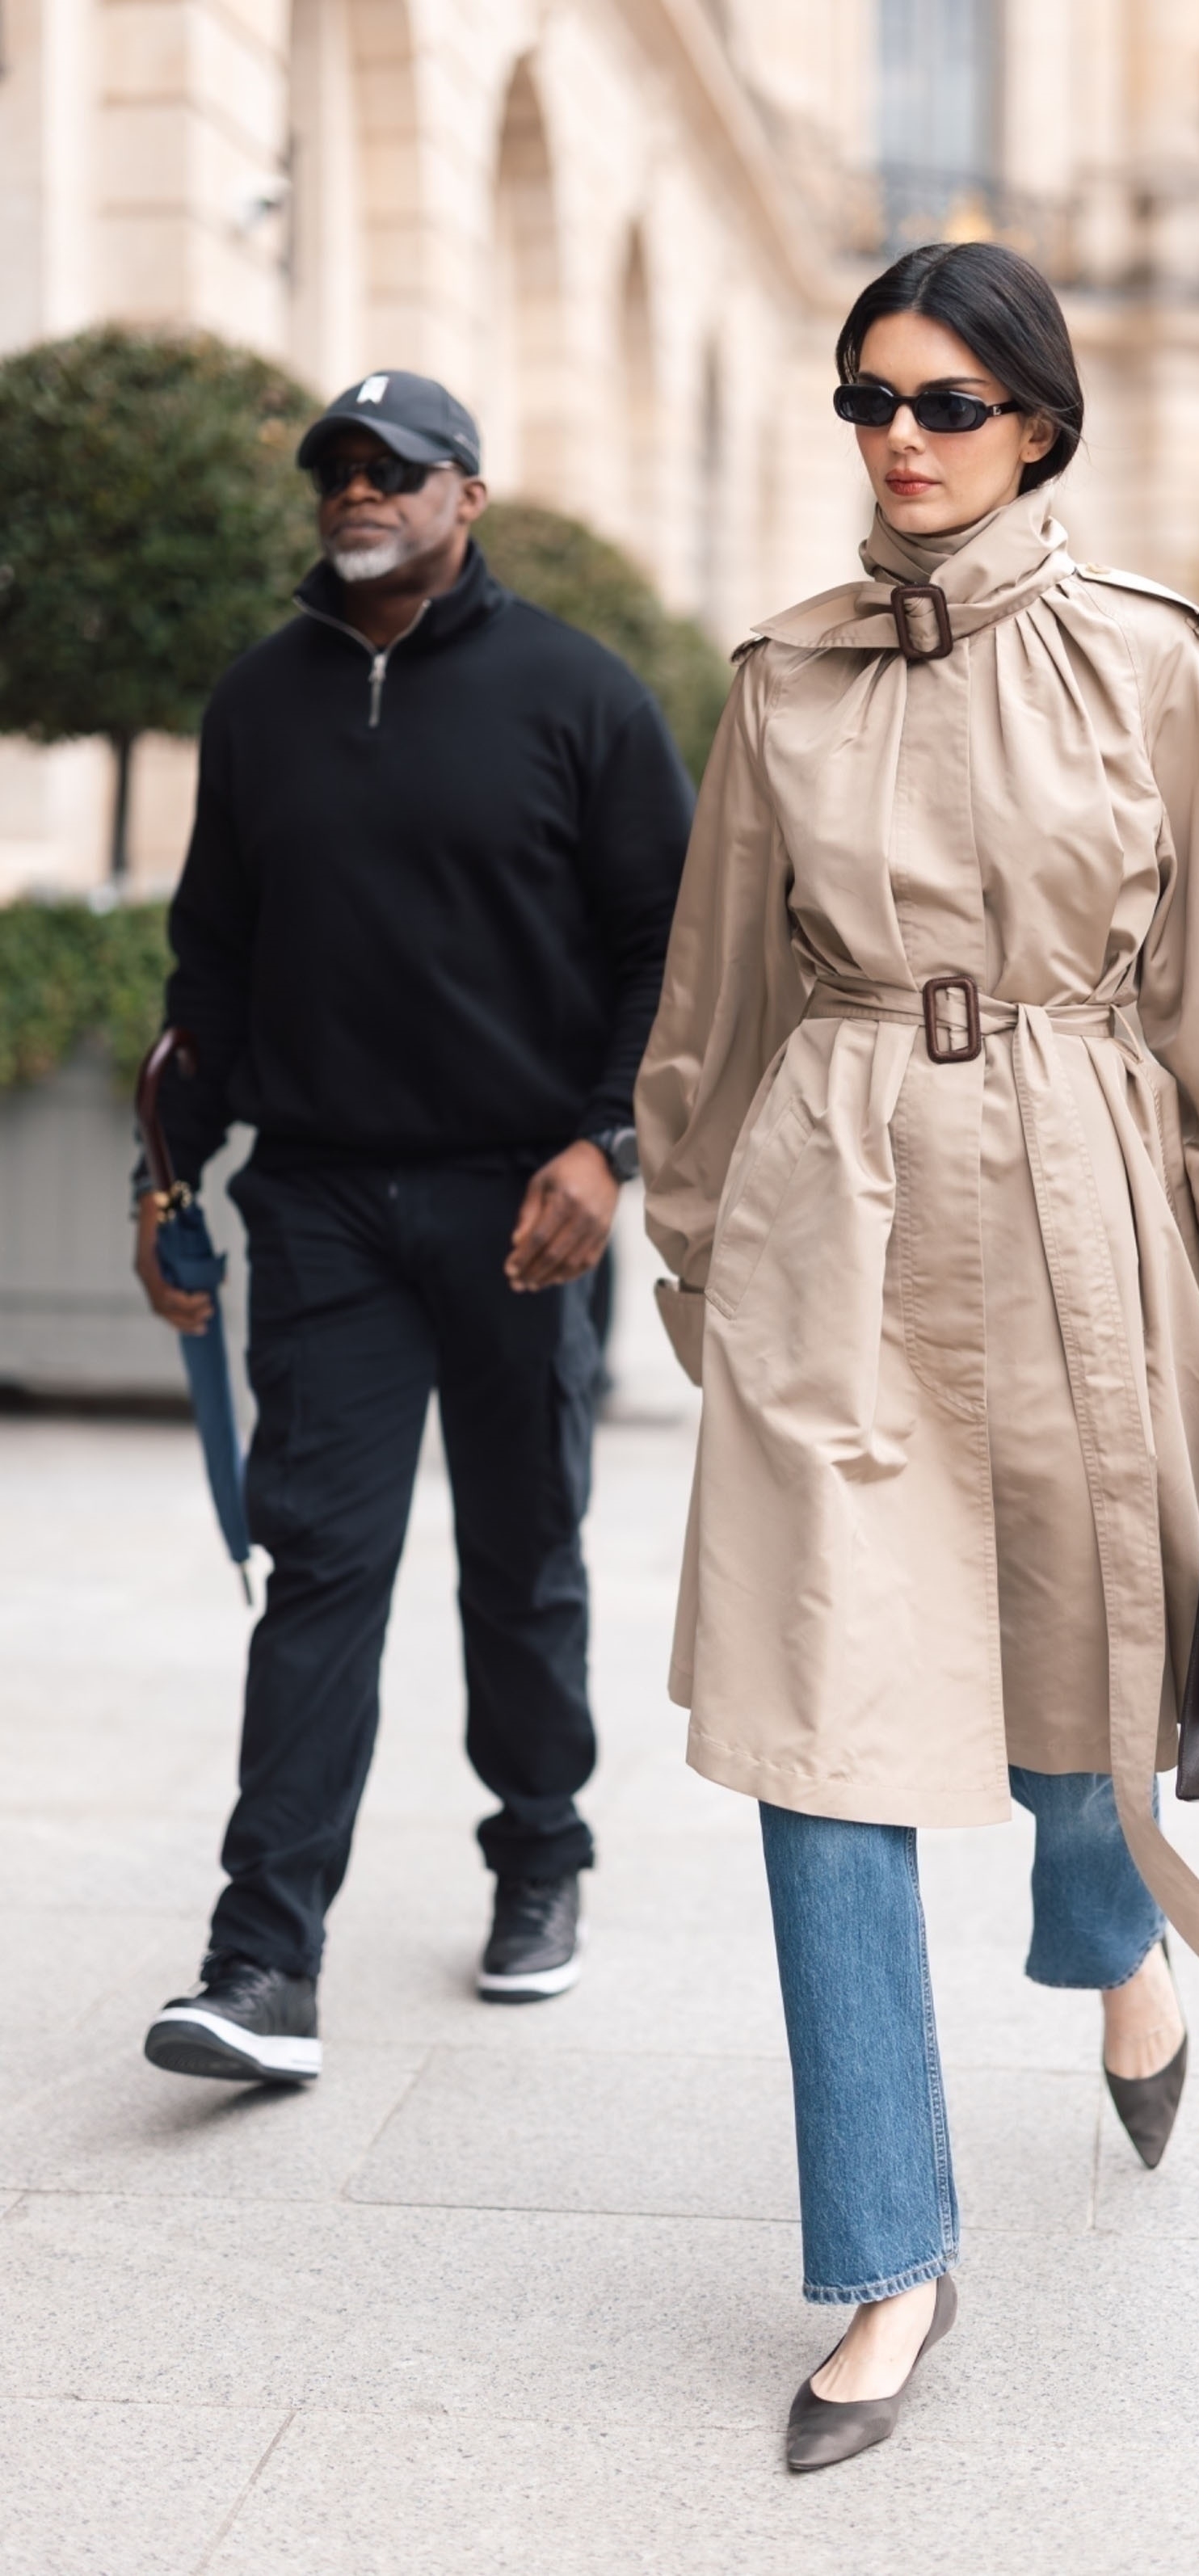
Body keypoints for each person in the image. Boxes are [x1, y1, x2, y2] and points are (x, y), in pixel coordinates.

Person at [637, 244, 1199, 2472]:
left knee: (1084, 1668)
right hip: (834, 1216)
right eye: (869, 396)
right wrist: (701, 1244)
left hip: (1080, 1189)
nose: (900, 437)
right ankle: (887, 2255)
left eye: (949, 401)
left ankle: (1114, 1931)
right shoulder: (780, 681)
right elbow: (713, 997)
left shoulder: (1148, 670)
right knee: (818, 1729)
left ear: (1038, 424)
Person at [135, 371, 692, 2086]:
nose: (356, 489)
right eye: (336, 469)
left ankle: (539, 1862)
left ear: (466, 496)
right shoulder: (258, 706)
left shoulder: (576, 695)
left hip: (522, 1203)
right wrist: (172, 1180)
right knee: (321, 1569)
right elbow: (210, 963)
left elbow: (667, 951)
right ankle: (261, 1960)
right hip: (318, 1204)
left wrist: (607, 1150)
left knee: (520, 1555)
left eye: (392, 468)